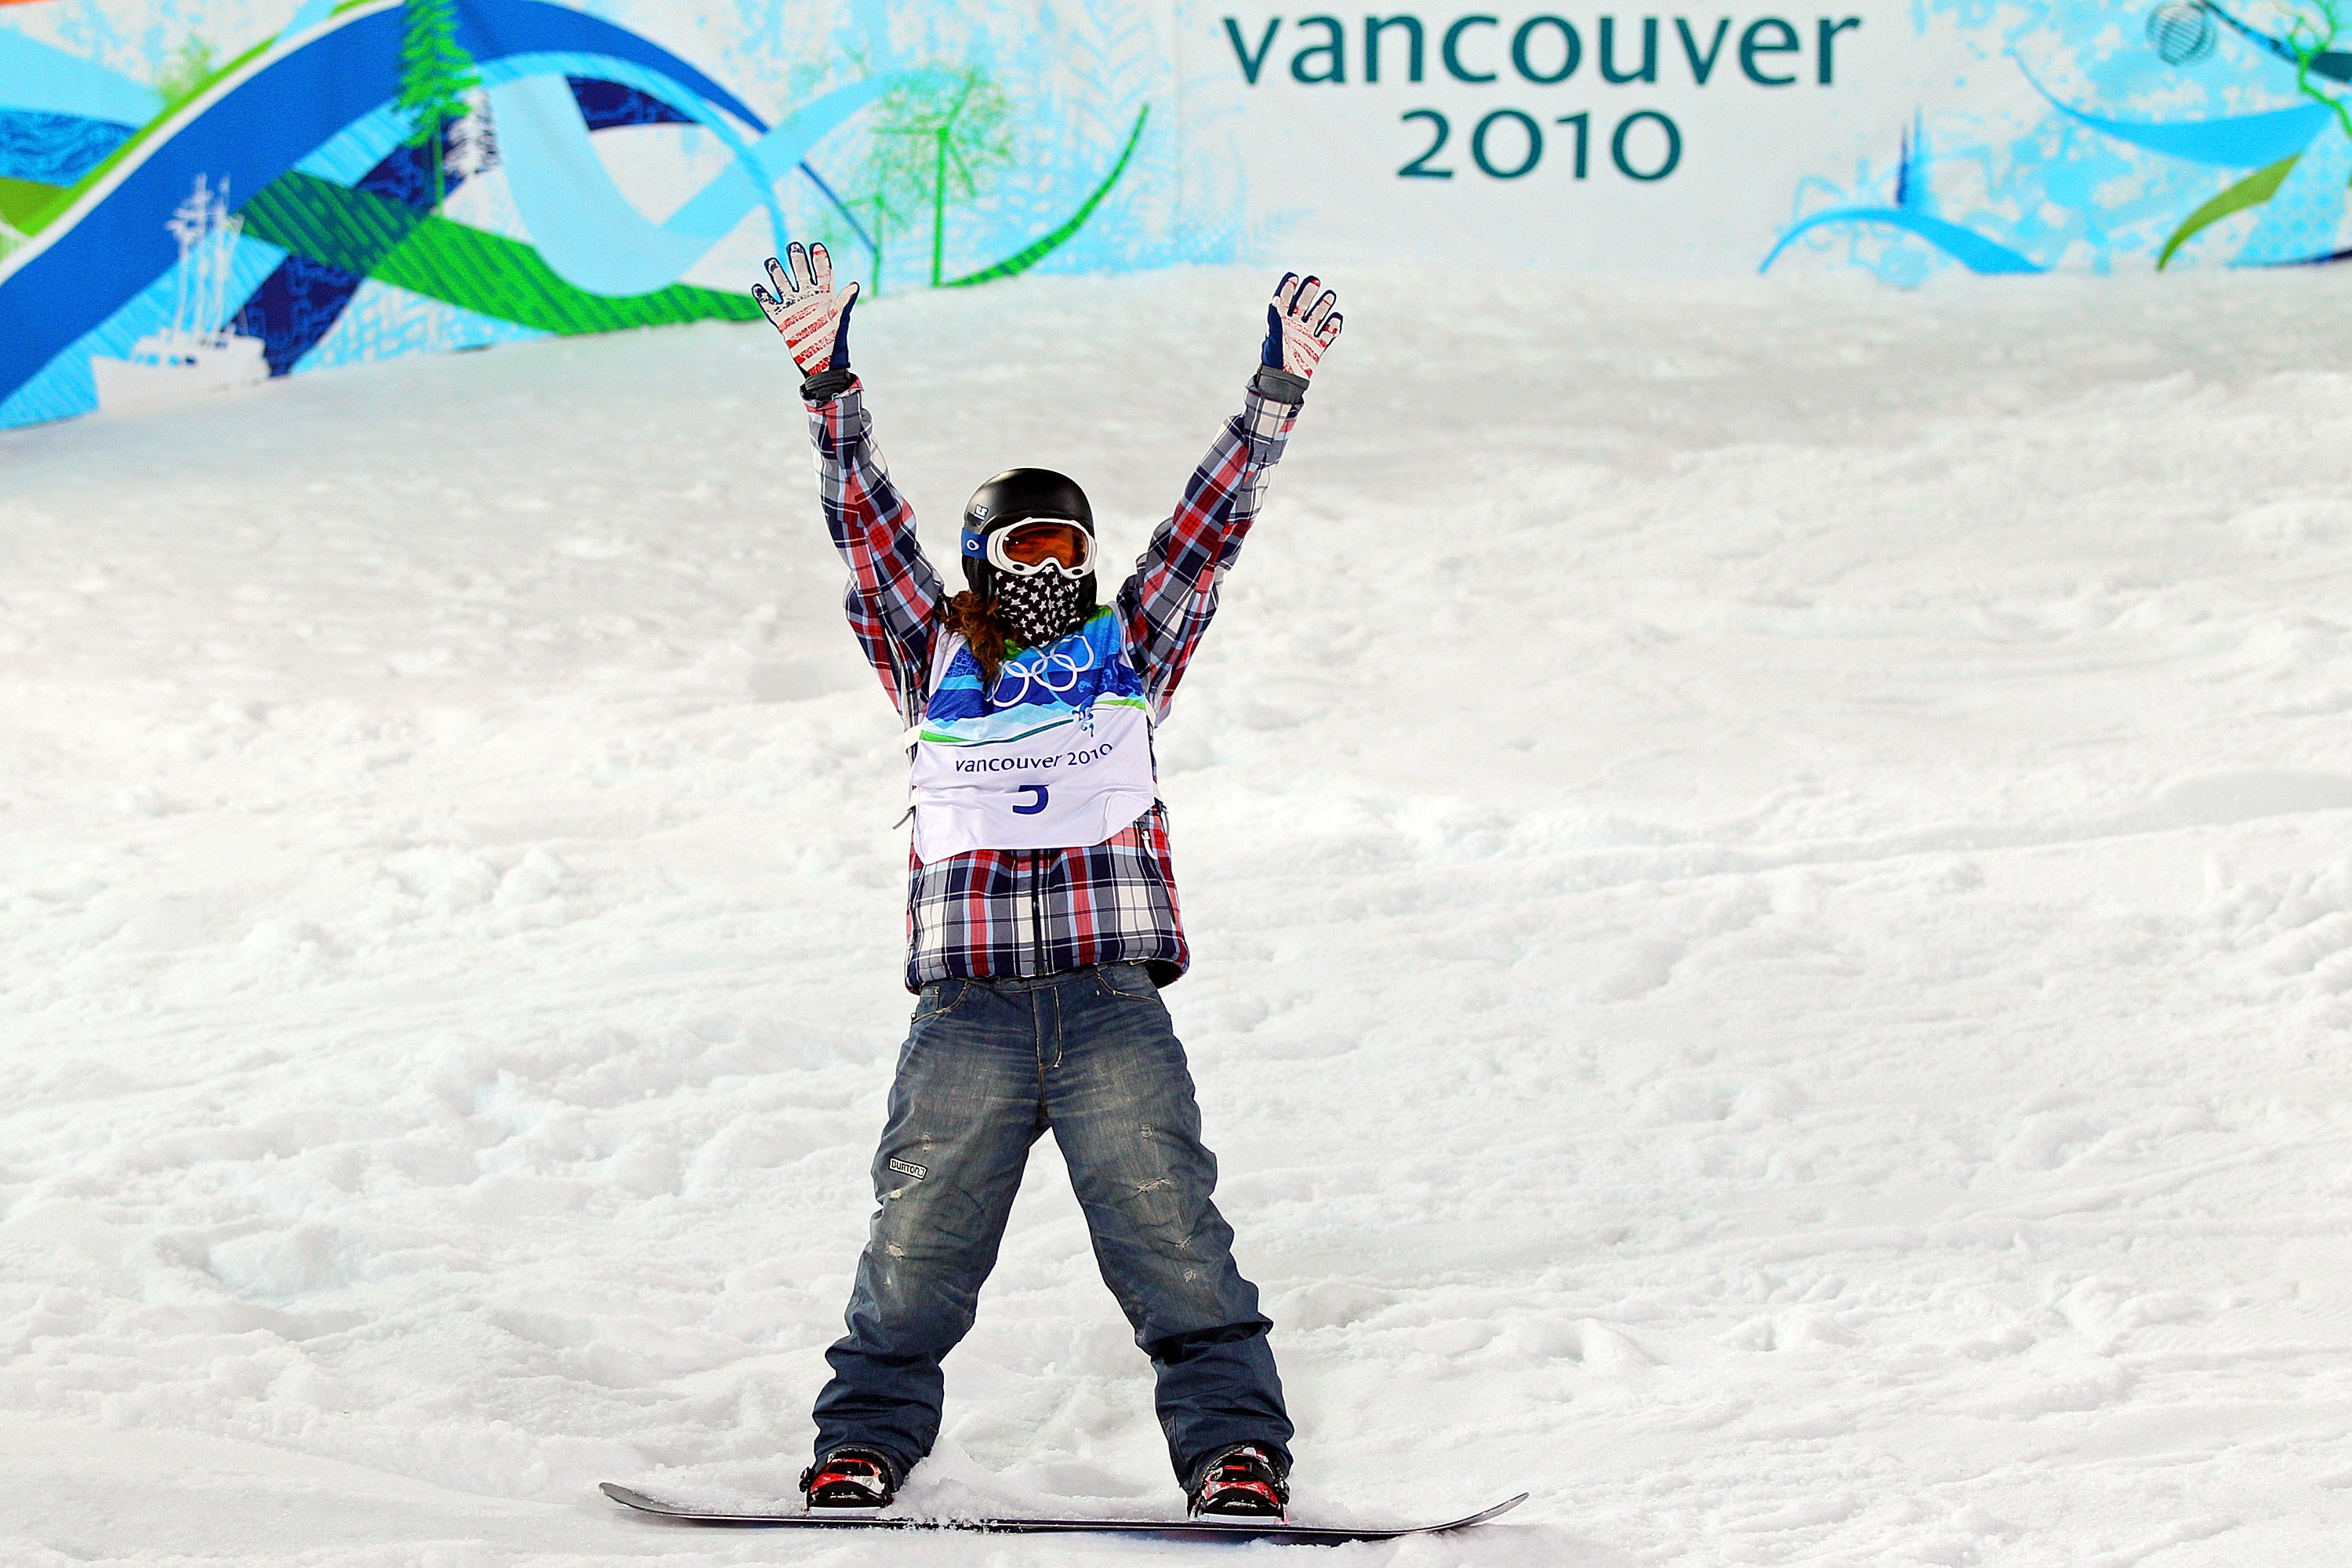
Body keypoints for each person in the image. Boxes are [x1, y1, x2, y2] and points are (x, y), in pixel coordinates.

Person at [753, 243, 1342, 1519]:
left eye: (1069, 541)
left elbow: (1207, 534)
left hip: (1107, 1005)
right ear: (983, 555)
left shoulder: (1128, 653)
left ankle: (1233, 1451)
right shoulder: (929, 658)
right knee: (917, 1245)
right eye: (1025, 540)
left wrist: (1272, 398)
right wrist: (830, 386)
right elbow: (869, 534)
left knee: (1170, 1233)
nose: (1052, 563)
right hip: (966, 1014)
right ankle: (862, 1444)